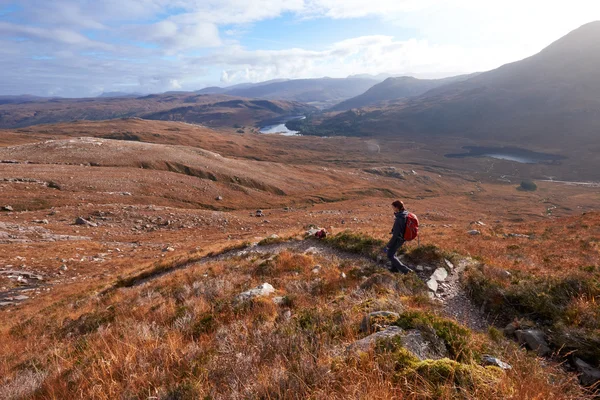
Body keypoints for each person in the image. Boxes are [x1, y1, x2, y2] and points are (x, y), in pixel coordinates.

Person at [383, 200, 413, 274]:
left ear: (396, 207)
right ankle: (394, 269)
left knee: (390, 254)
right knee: (393, 253)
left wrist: (388, 246)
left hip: (398, 239)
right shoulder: (404, 214)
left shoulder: (399, 218)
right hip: (402, 237)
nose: (392, 208)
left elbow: (395, 235)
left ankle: (407, 271)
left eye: (393, 207)